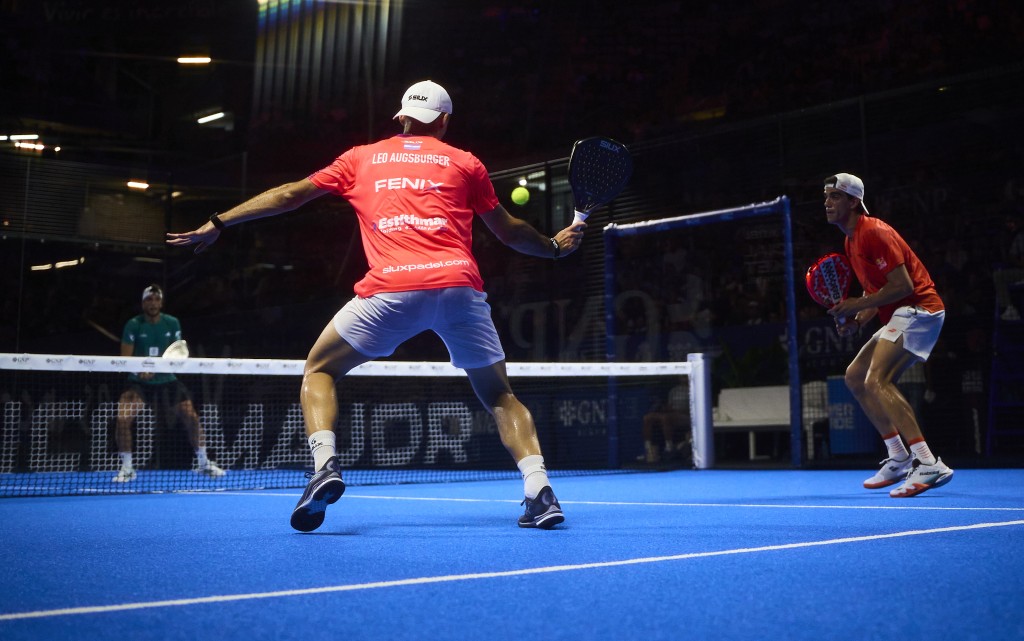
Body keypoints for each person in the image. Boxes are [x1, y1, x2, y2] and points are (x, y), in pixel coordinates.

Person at [166, 80, 586, 531]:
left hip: (392, 290)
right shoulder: (466, 163)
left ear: (400, 117)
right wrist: (554, 247)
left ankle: (325, 465)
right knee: (501, 396)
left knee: (319, 369)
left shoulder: (360, 158)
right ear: (444, 121)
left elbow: (290, 195)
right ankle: (538, 490)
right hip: (459, 287)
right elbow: (508, 232)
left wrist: (219, 221)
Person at [823, 173, 953, 498]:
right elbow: (876, 290)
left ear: (853, 202)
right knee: (855, 376)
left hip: (920, 309)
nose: (827, 202)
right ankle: (898, 455)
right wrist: (857, 319)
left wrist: (858, 303)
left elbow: (903, 286)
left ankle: (928, 462)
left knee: (876, 380)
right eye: (826, 196)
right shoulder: (850, 240)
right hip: (901, 312)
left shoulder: (874, 232)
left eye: (835, 196)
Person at [113, 284, 225, 482]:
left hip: (167, 379)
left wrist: (156, 369)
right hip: (138, 381)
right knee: (122, 419)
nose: (153, 303)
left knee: (191, 416)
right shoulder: (133, 325)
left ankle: (203, 463)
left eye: (157, 299)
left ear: (161, 302)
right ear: (143, 303)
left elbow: (177, 353)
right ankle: (127, 467)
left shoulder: (172, 323)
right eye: (149, 299)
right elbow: (125, 359)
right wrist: (139, 370)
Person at [639, 378, 689, 464]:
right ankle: (648, 448)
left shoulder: (694, 389)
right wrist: (667, 409)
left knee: (665, 418)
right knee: (648, 417)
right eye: (681, 376)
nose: (683, 378)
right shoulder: (674, 390)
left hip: (685, 416)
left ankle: (669, 446)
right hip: (671, 413)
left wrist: (678, 411)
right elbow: (669, 405)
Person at [993, 213, 1024, 321]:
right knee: (999, 276)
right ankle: (1009, 309)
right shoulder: (1020, 236)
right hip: (1021, 272)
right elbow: (1012, 255)